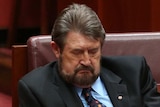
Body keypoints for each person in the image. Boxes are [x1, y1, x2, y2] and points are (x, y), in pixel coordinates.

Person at [18, 3, 160, 107]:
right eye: (77, 52)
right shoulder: (36, 89)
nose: (86, 61)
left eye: (93, 51)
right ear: (56, 49)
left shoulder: (134, 72)